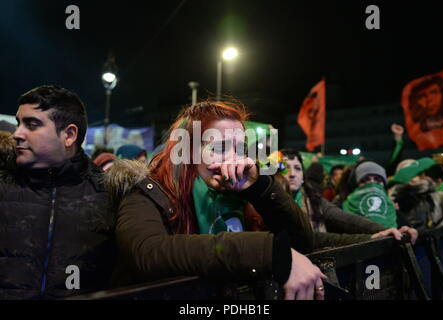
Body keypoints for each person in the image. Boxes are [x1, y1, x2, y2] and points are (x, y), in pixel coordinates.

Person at [106, 101, 327, 300]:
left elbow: (302, 242)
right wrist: (266, 251)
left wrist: (260, 188)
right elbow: (148, 253)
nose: (233, 158)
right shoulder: (146, 192)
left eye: (239, 148)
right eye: (219, 148)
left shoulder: (241, 195)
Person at [0, 85, 116, 299]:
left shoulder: (109, 193)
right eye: (19, 123)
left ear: (69, 135)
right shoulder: (4, 183)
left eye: (31, 124)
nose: (17, 134)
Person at [278, 148, 417, 247]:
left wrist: (386, 230)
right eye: (285, 168)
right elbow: (310, 239)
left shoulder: (314, 200)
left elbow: (348, 220)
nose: (292, 174)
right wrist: (369, 238)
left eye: (297, 168)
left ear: (303, 175)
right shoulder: (269, 202)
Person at [342, 161, 398, 229]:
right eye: (365, 180)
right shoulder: (341, 210)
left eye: (377, 180)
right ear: (357, 185)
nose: (372, 183)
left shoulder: (393, 211)